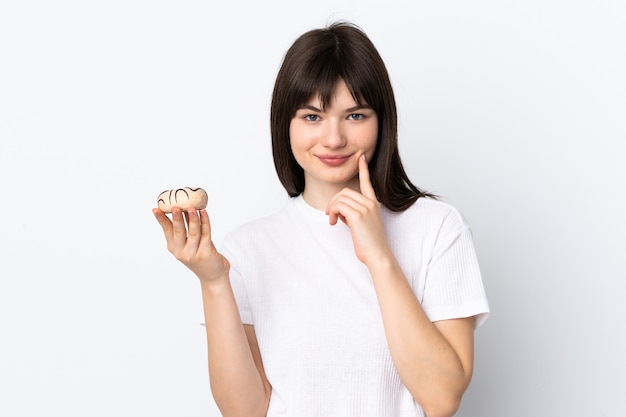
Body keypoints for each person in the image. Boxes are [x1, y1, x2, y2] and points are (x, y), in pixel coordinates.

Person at [153, 21, 489, 417]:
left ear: (382, 122)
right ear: (285, 124)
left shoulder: (437, 228)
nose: (333, 139)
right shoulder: (248, 247)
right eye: (312, 117)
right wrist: (213, 282)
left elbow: (442, 398)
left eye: (355, 116)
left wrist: (379, 256)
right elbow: (245, 411)